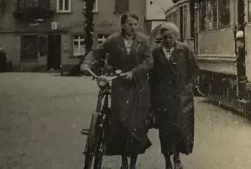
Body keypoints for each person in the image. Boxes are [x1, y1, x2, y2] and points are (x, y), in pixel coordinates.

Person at [80, 13, 153, 169]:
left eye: (135, 24)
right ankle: (124, 162)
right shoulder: (113, 40)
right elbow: (96, 52)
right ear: (123, 25)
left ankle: (133, 162)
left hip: (138, 86)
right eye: (129, 24)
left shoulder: (143, 41)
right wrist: (86, 64)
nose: (133, 27)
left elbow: (149, 62)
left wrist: (134, 72)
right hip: (120, 85)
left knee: (136, 125)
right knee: (121, 123)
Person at [150, 22, 199, 169]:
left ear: (175, 36)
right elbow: (151, 76)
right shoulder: (156, 52)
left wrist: (190, 86)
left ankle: (177, 158)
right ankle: (167, 161)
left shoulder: (184, 50)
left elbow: (195, 70)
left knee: (180, 129)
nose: (167, 40)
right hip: (162, 99)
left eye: (170, 37)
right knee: (165, 131)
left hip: (180, 98)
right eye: (164, 37)